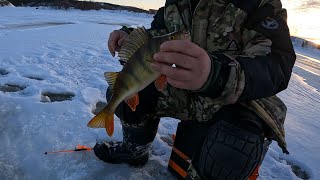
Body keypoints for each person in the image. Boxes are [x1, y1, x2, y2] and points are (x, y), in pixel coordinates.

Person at [93, 0, 296, 179]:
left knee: (236, 143)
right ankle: (134, 150)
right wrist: (129, 37)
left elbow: (277, 63)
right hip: (180, 89)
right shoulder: (176, 2)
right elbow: (158, 36)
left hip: (233, 98)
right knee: (121, 94)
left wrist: (216, 74)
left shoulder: (260, 5)